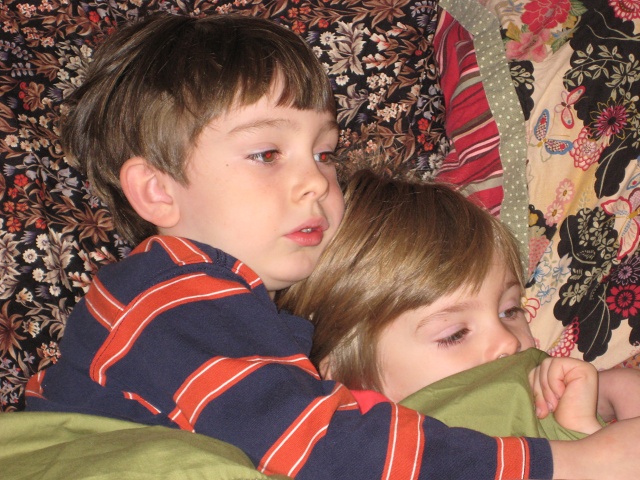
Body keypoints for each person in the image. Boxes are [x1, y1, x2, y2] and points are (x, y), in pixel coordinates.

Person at [22, 12, 640, 480]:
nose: (317, 181)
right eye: (267, 153)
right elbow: (328, 448)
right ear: (158, 192)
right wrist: (570, 466)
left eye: (323, 153)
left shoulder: (230, 312)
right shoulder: (168, 299)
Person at [280, 169, 640, 437]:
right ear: (346, 378)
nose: (508, 342)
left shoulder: (543, 392)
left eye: (510, 311)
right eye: (454, 334)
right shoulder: (377, 448)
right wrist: (587, 445)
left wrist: (608, 390)